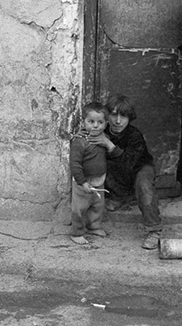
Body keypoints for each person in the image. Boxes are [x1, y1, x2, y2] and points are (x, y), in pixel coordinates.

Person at [85, 94, 162, 250]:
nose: (118, 121)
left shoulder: (135, 136)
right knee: (96, 167)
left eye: (124, 116)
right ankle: (122, 197)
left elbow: (127, 165)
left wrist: (109, 145)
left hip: (139, 169)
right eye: (114, 114)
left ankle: (154, 230)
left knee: (144, 187)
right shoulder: (100, 128)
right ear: (107, 116)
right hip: (117, 175)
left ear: (130, 118)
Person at [68, 101, 110, 245]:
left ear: (106, 123)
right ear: (84, 122)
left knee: (97, 205)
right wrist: (82, 182)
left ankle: (94, 226)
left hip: (99, 180)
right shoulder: (80, 142)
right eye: (91, 121)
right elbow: (75, 164)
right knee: (79, 208)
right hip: (83, 181)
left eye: (100, 122)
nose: (96, 125)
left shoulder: (104, 139)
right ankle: (77, 232)